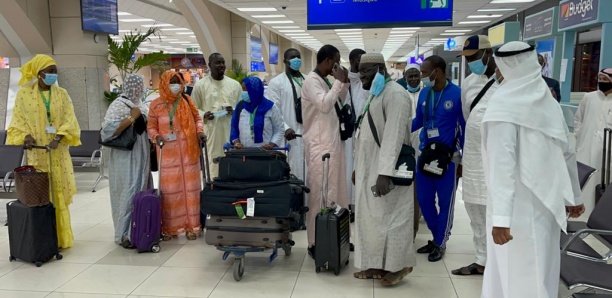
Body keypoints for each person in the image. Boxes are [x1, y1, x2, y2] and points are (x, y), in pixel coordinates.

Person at [480, 41, 584, 298]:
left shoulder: (503, 104)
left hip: (516, 210)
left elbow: (502, 166)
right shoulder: (545, 97)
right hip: (547, 203)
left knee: (518, 275)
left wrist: (501, 219)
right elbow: (566, 150)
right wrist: (573, 197)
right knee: (541, 273)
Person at [352, 53, 416, 286]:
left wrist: (384, 172)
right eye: (360, 74)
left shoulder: (396, 95)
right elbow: (363, 132)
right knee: (374, 220)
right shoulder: (376, 94)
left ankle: (400, 266)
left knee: (395, 219)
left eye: (367, 73)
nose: (363, 79)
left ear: (380, 69)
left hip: (388, 170)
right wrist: (358, 166)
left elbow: (393, 137)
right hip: (370, 166)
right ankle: (377, 264)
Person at [7, 54, 81, 249]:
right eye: (50, 72)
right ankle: (42, 239)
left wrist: (58, 137)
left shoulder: (62, 94)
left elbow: (69, 119)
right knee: (40, 194)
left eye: (55, 72)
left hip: (58, 153)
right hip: (37, 154)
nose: (54, 75)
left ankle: (61, 238)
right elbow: (18, 121)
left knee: (58, 193)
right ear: (39, 74)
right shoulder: (24, 95)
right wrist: (26, 137)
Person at [452, 35, 499, 276]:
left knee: (497, 211)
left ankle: (500, 261)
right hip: (473, 157)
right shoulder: (469, 83)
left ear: (488, 53)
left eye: (474, 57)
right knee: (474, 210)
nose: (471, 63)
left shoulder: (506, 81)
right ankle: (481, 259)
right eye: (467, 59)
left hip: (498, 160)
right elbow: (466, 117)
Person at [412, 55, 465, 262]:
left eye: (426, 72)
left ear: (438, 71)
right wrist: (397, 130)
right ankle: (436, 237)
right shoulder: (425, 93)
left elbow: (464, 128)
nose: (423, 76)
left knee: (445, 202)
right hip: (426, 154)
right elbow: (419, 120)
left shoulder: (457, 94)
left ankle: (441, 242)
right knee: (424, 201)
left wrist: (463, 159)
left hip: (447, 158)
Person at [301, 44, 350, 256]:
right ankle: (315, 242)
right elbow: (324, 105)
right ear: (329, 61)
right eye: (336, 61)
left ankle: (335, 236)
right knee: (320, 196)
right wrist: (339, 81)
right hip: (320, 147)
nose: (337, 66)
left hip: (332, 144)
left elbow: (338, 100)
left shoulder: (325, 80)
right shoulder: (312, 81)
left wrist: (343, 82)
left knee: (335, 193)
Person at [147, 70, 206, 241]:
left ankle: (192, 226)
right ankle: (170, 228)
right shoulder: (156, 105)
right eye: (172, 82)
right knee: (171, 193)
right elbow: (151, 127)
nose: (175, 85)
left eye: (178, 81)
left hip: (189, 153)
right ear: (164, 83)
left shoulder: (187, 101)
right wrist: (156, 137)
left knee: (191, 192)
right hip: (167, 155)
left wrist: (200, 131)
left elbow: (197, 119)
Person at [101, 74, 151, 248]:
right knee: (126, 192)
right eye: (134, 86)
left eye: (139, 86)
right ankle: (123, 234)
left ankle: (139, 229)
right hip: (125, 157)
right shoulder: (118, 105)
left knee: (141, 190)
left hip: (141, 154)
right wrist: (131, 117)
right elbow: (107, 132)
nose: (137, 90)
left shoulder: (141, 104)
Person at [191, 53, 242, 178]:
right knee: (213, 163)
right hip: (211, 131)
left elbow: (243, 108)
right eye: (218, 63)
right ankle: (214, 190)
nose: (221, 65)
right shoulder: (200, 85)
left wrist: (234, 109)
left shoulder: (235, 85)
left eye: (223, 62)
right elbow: (193, 109)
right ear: (209, 65)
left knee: (232, 161)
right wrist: (204, 114)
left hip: (231, 130)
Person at [574, 68, 612, 214]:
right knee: (586, 180)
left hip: (607, 151)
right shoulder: (588, 97)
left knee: (604, 180)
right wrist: (580, 137)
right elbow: (578, 120)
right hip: (586, 146)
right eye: (600, 79)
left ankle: (602, 213)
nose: (601, 82)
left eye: (605, 80)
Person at [265, 48, 305, 179]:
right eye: (293, 57)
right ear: (285, 61)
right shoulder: (276, 82)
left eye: (298, 57)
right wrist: (286, 128)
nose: (297, 60)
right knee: (292, 171)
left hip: (307, 134)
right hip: (289, 136)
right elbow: (274, 111)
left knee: (308, 173)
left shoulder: (307, 79)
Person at [230, 77, 284, 149]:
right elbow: (234, 127)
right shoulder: (240, 106)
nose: (243, 92)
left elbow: (279, 130)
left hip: (265, 153)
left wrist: (271, 145)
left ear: (255, 90)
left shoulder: (270, 107)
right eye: (243, 89)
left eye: (246, 89)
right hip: (243, 153)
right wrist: (237, 143)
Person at [347, 48, 368, 209]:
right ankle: (350, 204)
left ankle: (361, 203)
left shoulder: (367, 80)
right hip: (348, 134)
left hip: (366, 131)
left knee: (363, 166)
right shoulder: (343, 80)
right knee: (349, 167)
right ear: (354, 61)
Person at [405, 63, 423, 238]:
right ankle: (411, 214)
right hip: (407, 143)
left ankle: (420, 213)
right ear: (405, 78)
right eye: (410, 76)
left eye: (416, 75)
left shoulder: (426, 94)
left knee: (422, 180)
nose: (413, 79)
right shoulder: (401, 95)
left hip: (424, 144)